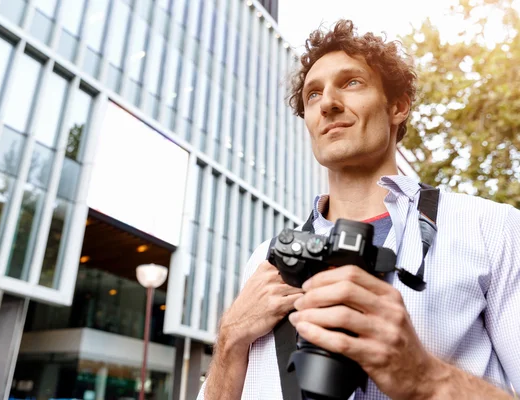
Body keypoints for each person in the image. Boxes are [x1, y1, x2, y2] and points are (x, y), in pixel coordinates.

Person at [198, 20, 520, 400]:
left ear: (397, 106)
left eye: (351, 82)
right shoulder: (263, 261)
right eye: (313, 95)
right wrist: (230, 337)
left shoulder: (492, 228)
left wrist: (427, 379)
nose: (329, 104)